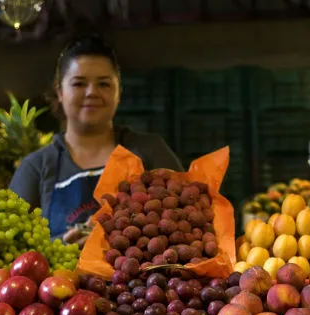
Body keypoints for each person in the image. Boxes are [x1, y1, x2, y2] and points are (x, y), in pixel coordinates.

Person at [10, 34, 183, 246]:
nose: (92, 92)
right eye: (79, 84)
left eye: (104, 84)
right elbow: (13, 246)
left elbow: (185, 223)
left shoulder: (151, 152)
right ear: (60, 92)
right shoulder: (36, 169)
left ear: (119, 91)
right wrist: (62, 243)